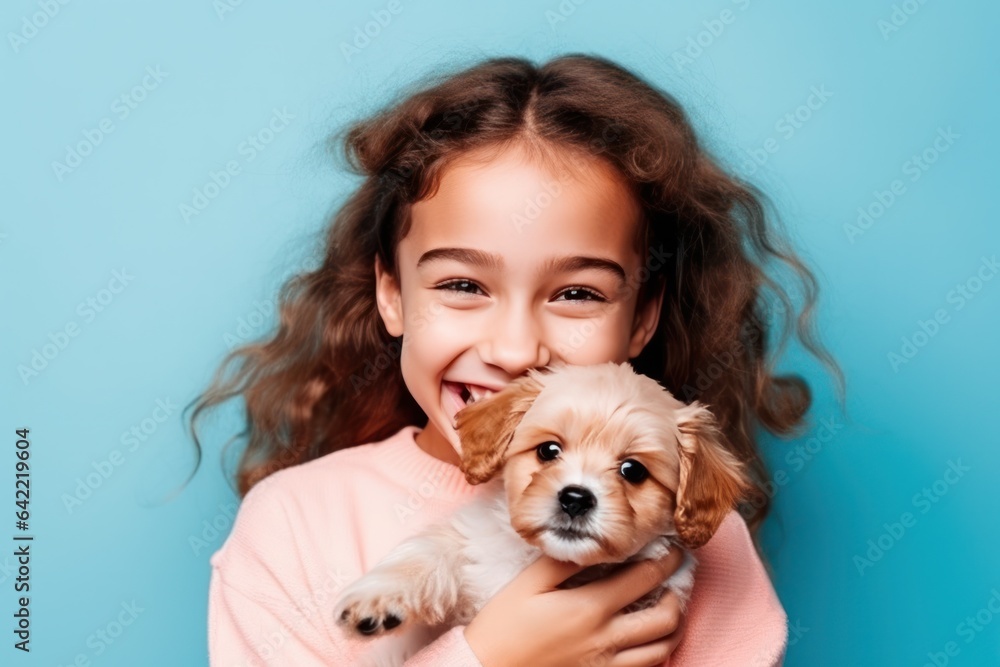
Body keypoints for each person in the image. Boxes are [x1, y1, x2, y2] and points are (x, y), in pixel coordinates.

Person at [191, 53, 844, 666]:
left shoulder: (702, 535)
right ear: (391, 294)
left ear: (643, 315)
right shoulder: (296, 522)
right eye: (463, 285)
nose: (513, 350)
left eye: (576, 292)